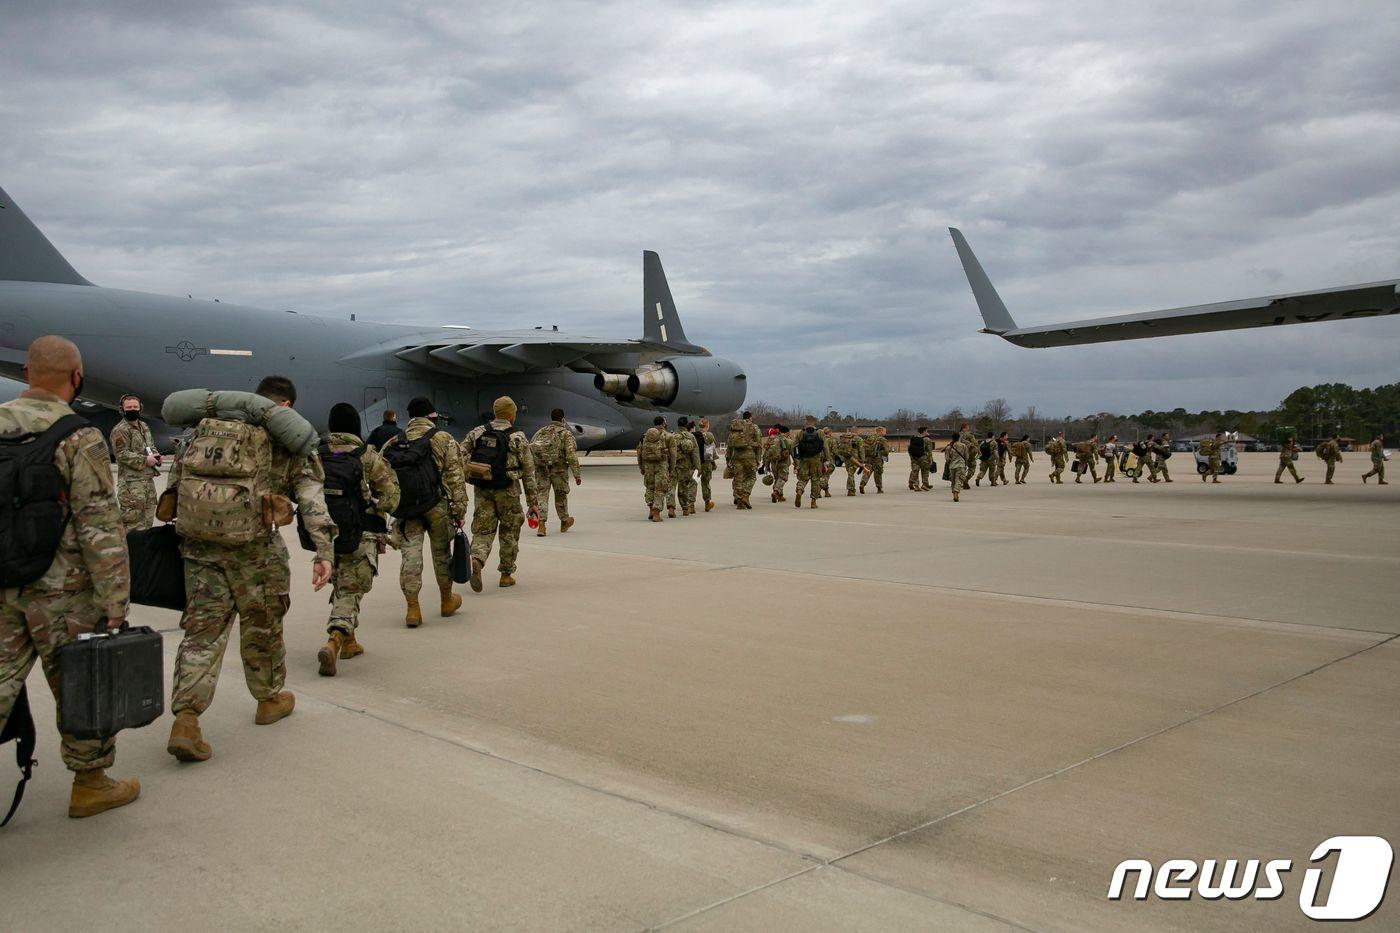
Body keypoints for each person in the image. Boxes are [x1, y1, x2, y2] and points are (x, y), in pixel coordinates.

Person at [0, 336, 138, 817]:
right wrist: (115, 599)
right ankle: (90, 784)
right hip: (61, 594)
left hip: (2, 586)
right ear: (76, 377)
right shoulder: (78, 435)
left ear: (25, 372)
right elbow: (100, 525)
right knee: (83, 687)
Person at [166, 375, 335, 764]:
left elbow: (176, 484)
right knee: (262, 627)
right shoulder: (287, 439)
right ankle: (269, 699)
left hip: (200, 548)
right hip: (256, 551)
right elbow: (312, 499)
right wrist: (323, 550)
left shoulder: (203, 431)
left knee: (201, 633)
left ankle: (186, 719)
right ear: (284, 407)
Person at [317, 403, 399, 677]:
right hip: (360, 530)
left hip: (326, 534)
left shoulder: (317, 454)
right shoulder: (367, 456)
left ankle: (350, 641)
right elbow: (391, 496)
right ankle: (335, 638)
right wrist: (374, 506)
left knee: (342, 582)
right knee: (352, 588)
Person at [387, 397, 467, 627]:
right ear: (432, 415)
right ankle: (446, 601)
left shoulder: (395, 440)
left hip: (407, 508)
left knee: (410, 556)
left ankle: (413, 609)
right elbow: (455, 477)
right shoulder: (443, 439)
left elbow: (383, 478)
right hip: (436, 506)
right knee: (442, 554)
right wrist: (459, 509)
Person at [462, 396, 540, 590]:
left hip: (483, 488)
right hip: (509, 490)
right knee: (509, 533)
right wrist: (533, 502)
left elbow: (460, 453)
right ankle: (506, 574)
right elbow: (529, 472)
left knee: (482, 530)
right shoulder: (518, 437)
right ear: (511, 415)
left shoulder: (478, 433)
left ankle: (477, 561)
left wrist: (469, 472)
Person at [109, 393, 161, 530]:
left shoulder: (143, 427)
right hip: (131, 484)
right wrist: (144, 460)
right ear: (123, 410)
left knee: (147, 522)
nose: (132, 409)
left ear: (140, 408)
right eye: (129, 407)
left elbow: (149, 446)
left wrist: (155, 456)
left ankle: (143, 551)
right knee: (133, 524)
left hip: (147, 481)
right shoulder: (120, 430)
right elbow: (121, 454)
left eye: (135, 407)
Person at [530, 408, 581, 536]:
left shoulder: (541, 432)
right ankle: (564, 521)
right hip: (559, 470)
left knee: (542, 496)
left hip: (542, 469)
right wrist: (577, 474)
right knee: (561, 495)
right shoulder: (565, 434)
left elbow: (531, 447)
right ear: (563, 419)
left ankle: (541, 525)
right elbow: (571, 455)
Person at [637, 415, 672, 521]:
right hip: (661, 465)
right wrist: (671, 468)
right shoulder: (668, 436)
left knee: (650, 487)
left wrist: (641, 467)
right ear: (663, 423)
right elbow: (673, 454)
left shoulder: (645, 436)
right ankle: (657, 514)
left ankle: (651, 510)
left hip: (648, 466)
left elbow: (639, 453)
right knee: (660, 489)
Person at [791, 416, 830, 509]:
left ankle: (800, 490)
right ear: (813, 422)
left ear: (806, 422)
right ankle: (813, 501)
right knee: (815, 480)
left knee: (803, 478)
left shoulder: (801, 433)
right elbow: (825, 447)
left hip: (804, 459)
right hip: (816, 460)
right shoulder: (819, 432)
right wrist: (827, 459)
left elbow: (793, 446)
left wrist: (796, 460)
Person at [726, 411, 761, 509]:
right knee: (752, 476)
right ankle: (745, 495)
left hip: (736, 457)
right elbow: (759, 444)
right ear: (750, 418)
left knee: (738, 478)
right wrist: (758, 458)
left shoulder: (736, 427)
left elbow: (729, 444)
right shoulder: (754, 427)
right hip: (749, 456)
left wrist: (728, 458)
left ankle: (738, 498)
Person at [671, 416, 702, 515]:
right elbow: (695, 453)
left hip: (673, 465)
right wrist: (698, 467)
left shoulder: (671, 435)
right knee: (683, 487)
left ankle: (671, 508)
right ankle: (685, 508)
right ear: (686, 425)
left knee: (671, 487)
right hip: (685, 466)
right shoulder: (690, 436)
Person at [761, 425, 792, 503]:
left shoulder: (772, 440)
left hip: (773, 463)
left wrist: (766, 466)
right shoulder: (788, 441)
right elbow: (793, 453)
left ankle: (780, 496)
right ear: (786, 432)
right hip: (783, 463)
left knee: (777, 479)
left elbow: (767, 454)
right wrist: (797, 464)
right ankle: (776, 491)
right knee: (783, 478)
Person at [835, 426, 865, 495]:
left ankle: (850, 488)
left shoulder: (845, 437)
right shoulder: (858, 439)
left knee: (849, 473)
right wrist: (862, 460)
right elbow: (861, 450)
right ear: (857, 431)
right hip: (855, 459)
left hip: (846, 458)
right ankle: (851, 490)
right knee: (851, 474)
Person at [860, 426, 890, 493]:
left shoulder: (869, 437)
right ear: (881, 431)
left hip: (868, 458)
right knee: (878, 474)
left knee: (867, 472)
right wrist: (883, 454)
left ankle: (862, 484)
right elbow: (886, 451)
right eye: (884, 431)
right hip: (878, 459)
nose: (885, 433)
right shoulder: (882, 439)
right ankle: (879, 488)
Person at [697, 418, 717, 511]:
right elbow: (712, 450)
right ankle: (707, 503)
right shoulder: (709, 436)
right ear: (707, 425)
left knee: (694, 483)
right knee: (706, 483)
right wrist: (713, 462)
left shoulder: (696, 435)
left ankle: (691, 505)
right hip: (707, 462)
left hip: (697, 462)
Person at [944, 436, 969, 502]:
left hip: (952, 466)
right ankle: (956, 492)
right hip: (960, 465)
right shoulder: (963, 445)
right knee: (959, 480)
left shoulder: (949, 447)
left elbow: (947, 458)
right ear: (959, 438)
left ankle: (954, 494)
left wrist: (950, 463)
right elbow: (966, 456)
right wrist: (966, 464)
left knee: (953, 481)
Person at [908, 426, 931, 490]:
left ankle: (916, 485)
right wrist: (930, 459)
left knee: (915, 471)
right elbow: (929, 450)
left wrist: (911, 457)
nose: (927, 432)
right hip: (923, 457)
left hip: (914, 457)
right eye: (927, 431)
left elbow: (909, 448)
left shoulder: (914, 438)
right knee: (925, 471)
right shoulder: (927, 439)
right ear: (924, 431)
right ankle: (925, 484)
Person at [817, 427, 836, 497]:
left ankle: (826, 492)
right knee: (826, 476)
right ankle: (818, 491)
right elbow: (835, 451)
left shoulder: (818, 440)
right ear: (829, 432)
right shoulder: (831, 440)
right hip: (828, 460)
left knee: (821, 476)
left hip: (819, 460)